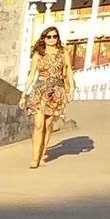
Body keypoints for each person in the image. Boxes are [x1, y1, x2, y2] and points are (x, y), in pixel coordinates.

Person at [22, 26, 71, 170]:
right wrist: (24, 94)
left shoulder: (63, 53)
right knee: (38, 125)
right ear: (44, 38)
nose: (52, 39)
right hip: (40, 90)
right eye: (49, 37)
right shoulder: (39, 54)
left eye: (55, 36)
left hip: (56, 90)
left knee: (48, 125)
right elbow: (31, 75)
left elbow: (68, 71)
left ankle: (43, 153)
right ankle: (35, 156)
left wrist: (71, 89)